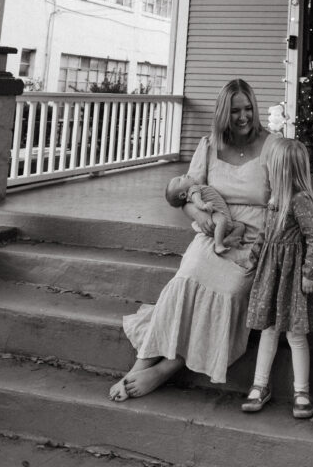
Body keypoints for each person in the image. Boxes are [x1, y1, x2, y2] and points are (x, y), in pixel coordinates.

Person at [108, 79, 279, 402]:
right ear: (222, 113)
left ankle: (167, 368)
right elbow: (186, 194)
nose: (243, 117)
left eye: (248, 109)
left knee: (227, 292)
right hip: (212, 230)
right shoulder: (210, 145)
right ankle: (138, 367)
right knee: (186, 279)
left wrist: (263, 242)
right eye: (235, 111)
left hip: (254, 240)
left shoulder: (273, 145)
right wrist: (196, 214)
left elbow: (284, 200)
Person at [242, 139, 313, 420]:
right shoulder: (274, 199)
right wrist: (253, 257)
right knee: (268, 328)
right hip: (271, 273)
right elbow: (265, 234)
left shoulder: (300, 200)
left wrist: (309, 273)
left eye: (271, 167)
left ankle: (302, 391)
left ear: (283, 170)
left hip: (292, 276)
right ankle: (260, 385)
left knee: (294, 333)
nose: (267, 171)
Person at [164, 174, 246, 254]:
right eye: (180, 180)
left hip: (226, 220)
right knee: (222, 220)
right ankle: (218, 245)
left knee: (240, 226)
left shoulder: (197, 188)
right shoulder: (193, 189)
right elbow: (197, 200)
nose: (183, 175)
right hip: (214, 214)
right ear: (183, 195)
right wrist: (203, 206)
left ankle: (228, 239)